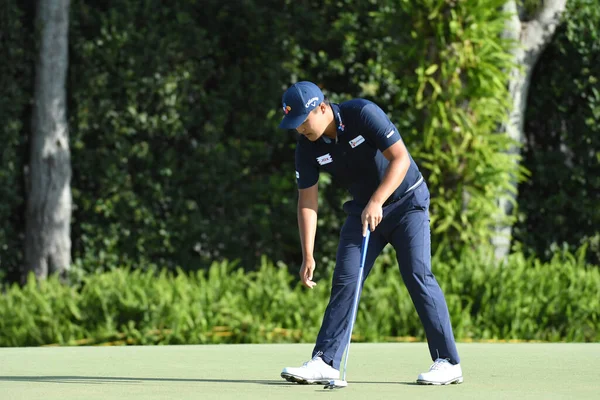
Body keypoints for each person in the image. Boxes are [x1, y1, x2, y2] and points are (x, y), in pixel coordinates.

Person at [277, 81, 463, 385]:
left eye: (304, 121)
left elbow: (400, 158)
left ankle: (448, 362)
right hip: (364, 212)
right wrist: (308, 253)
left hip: (407, 204)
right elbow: (307, 201)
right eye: (295, 125)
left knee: (417, 274)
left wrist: (378, 200)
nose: (300, 130)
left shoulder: (362, 113)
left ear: (322, 107)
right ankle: (325, 361)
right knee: (345, 280)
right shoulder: (307, 147)